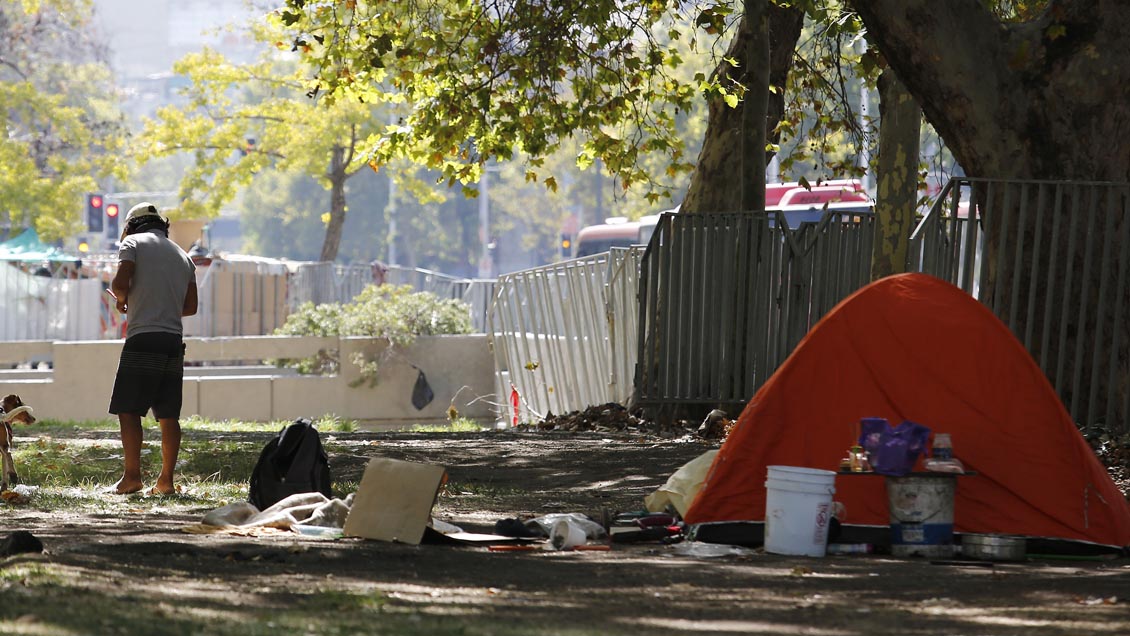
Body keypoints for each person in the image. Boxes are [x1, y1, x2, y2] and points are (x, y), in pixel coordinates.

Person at [106, 202, 198, 495]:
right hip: (172, 340)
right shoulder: (183, 256)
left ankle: (132, 477)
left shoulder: (132, 242)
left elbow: (120, 282)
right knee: (169, 414)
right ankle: (166, 481)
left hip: (143, 337)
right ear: (162, 225)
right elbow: (191, 306)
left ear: (132, 226)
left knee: (129, 409)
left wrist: (123, 300)